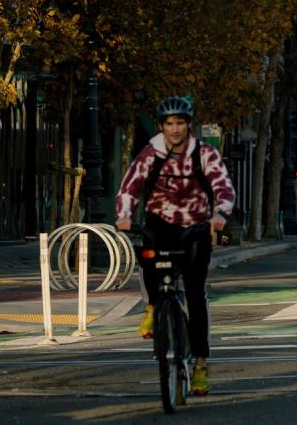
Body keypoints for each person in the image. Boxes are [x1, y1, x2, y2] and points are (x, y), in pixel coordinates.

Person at [115, 96, 235, 396]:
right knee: (148, 264)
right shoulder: (150, 153)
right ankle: (154, 306)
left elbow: (223, 187)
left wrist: (220, 214)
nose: (175, 129)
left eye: (180, 123)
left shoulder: (204, 154)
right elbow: (129, 186)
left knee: (195, 294)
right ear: (161, 126)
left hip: (196, 228)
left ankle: (200, 366)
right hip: (161, 225)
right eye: (169, 123)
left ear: (188, 125)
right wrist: (124, 216)